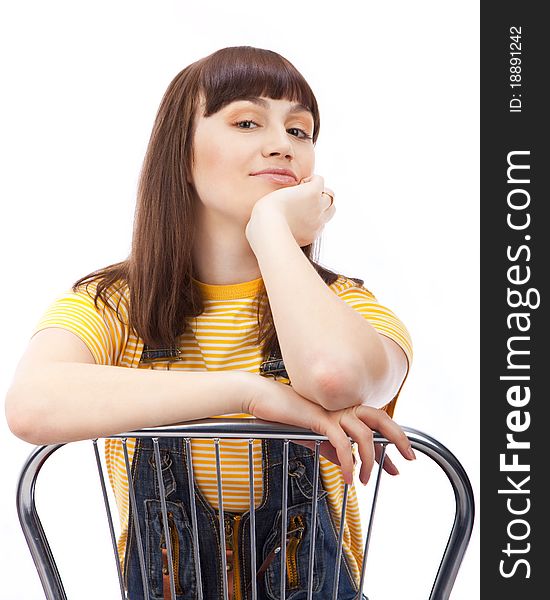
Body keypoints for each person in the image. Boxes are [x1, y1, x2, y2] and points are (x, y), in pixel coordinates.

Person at [5, 46, 414, 600]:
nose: (281, 145)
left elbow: (332, 374)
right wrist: (251, 395)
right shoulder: (114, 304)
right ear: (181, 151)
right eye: (247, 122)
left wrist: (270, 227)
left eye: (300, 132)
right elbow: (32, 405)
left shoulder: (346, 307)